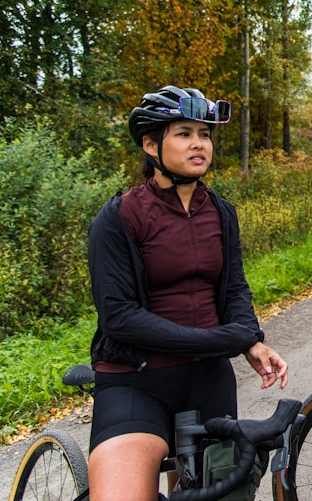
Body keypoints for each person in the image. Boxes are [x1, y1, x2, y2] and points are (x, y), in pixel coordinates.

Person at [86, 85, 289, 501]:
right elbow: (119, 317)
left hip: (208, 380)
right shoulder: (119, 217)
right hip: (135, 384)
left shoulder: (220, 212)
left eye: (205, 134)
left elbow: (234, 289)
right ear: (150, 143)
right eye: (183, 133)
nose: (199, 144)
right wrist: (221, 340)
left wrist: (250, 341)